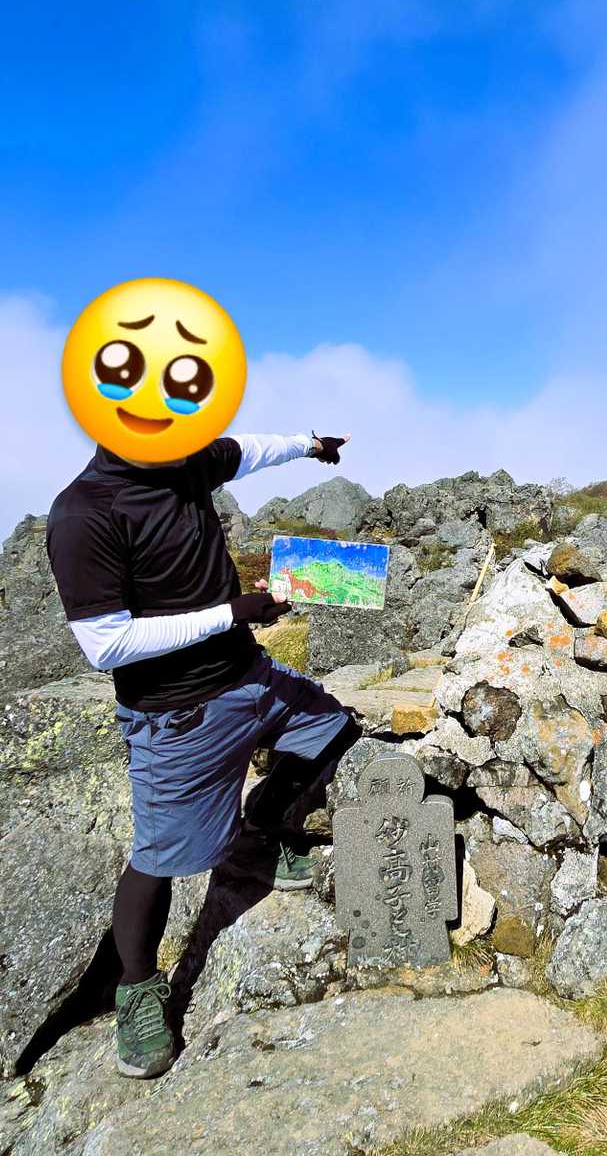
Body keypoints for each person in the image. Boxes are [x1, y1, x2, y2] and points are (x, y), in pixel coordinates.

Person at [45, 427, 366, 1080]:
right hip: (178, 715)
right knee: (159, 858)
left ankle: (261, 831)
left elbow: (245, 450)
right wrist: (231, 612)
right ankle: (138, 988)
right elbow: (105, 645)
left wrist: (309, 444)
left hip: (254, 679)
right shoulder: (84, 512)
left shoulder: (184, 458)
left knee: (334, 731)